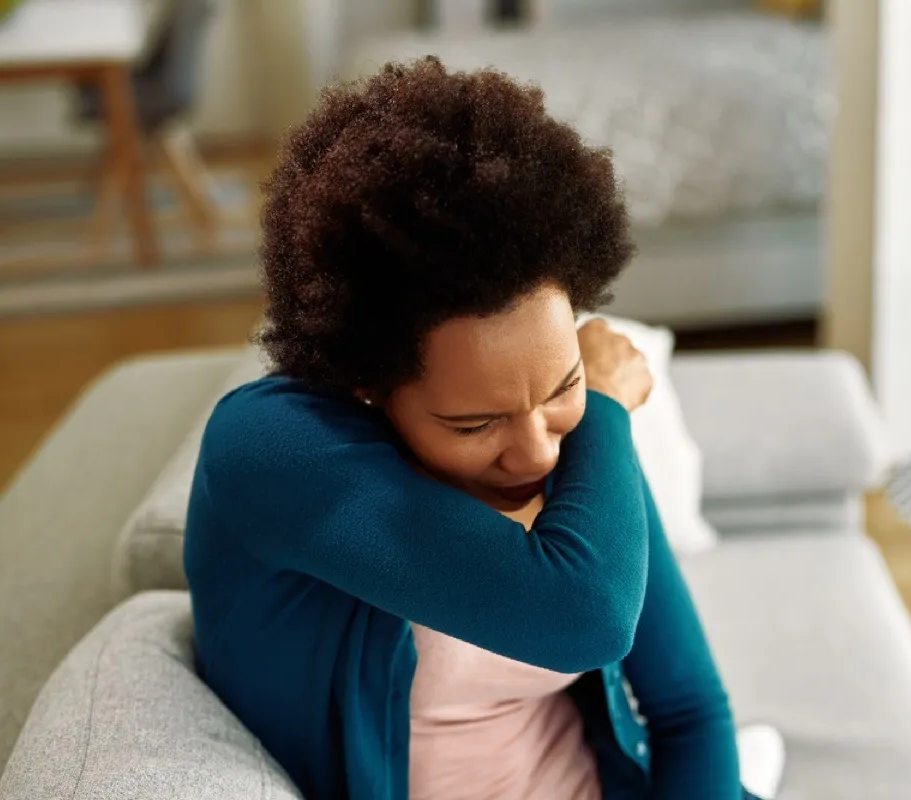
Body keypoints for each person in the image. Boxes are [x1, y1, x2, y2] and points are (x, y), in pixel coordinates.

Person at [184, 56, 762, 800]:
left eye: (563, 386)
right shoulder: (270, 450)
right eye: (475, 422)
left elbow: (688, 710)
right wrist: (607, 408)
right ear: (367, 384)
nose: (537, 449)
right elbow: (586, 616)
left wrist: (590, 411)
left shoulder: (573, 441)